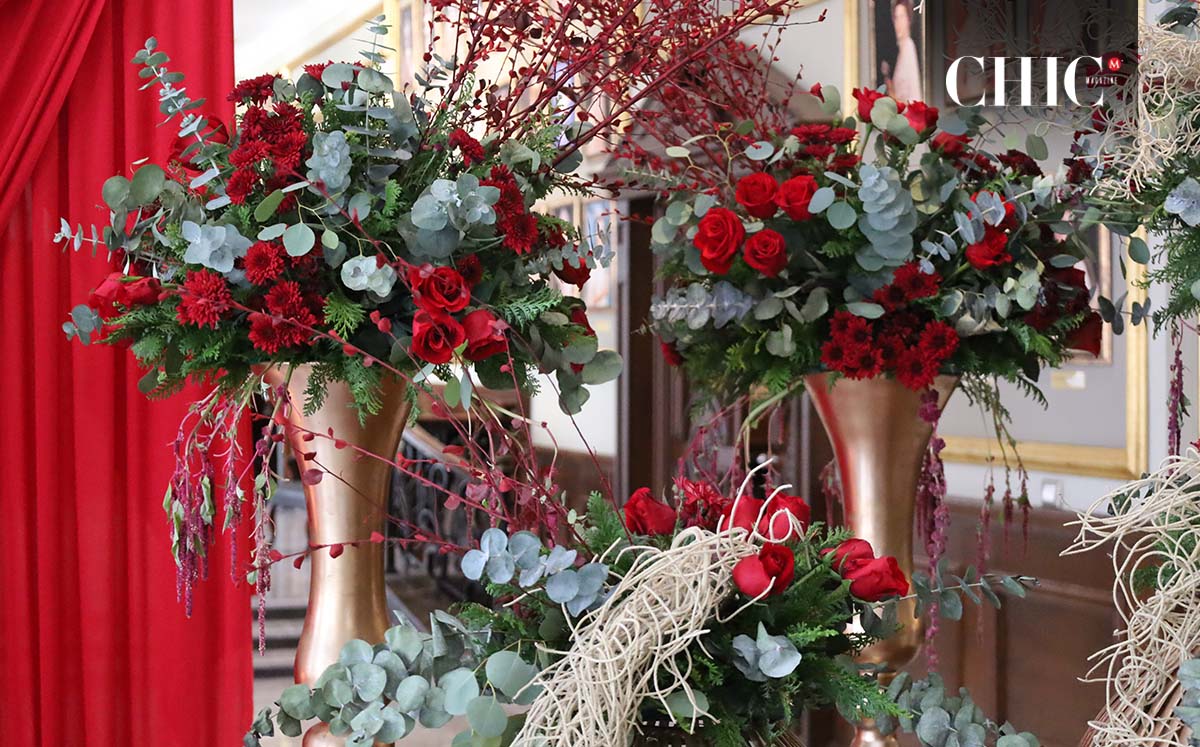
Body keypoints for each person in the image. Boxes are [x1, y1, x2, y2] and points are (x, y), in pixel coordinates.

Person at [887, 0, 923, 103]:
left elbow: (914, 97)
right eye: (896, 18)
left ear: (908, 19)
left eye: (902, 17)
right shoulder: (900, 51)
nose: (898, 23)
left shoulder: (909, 48)